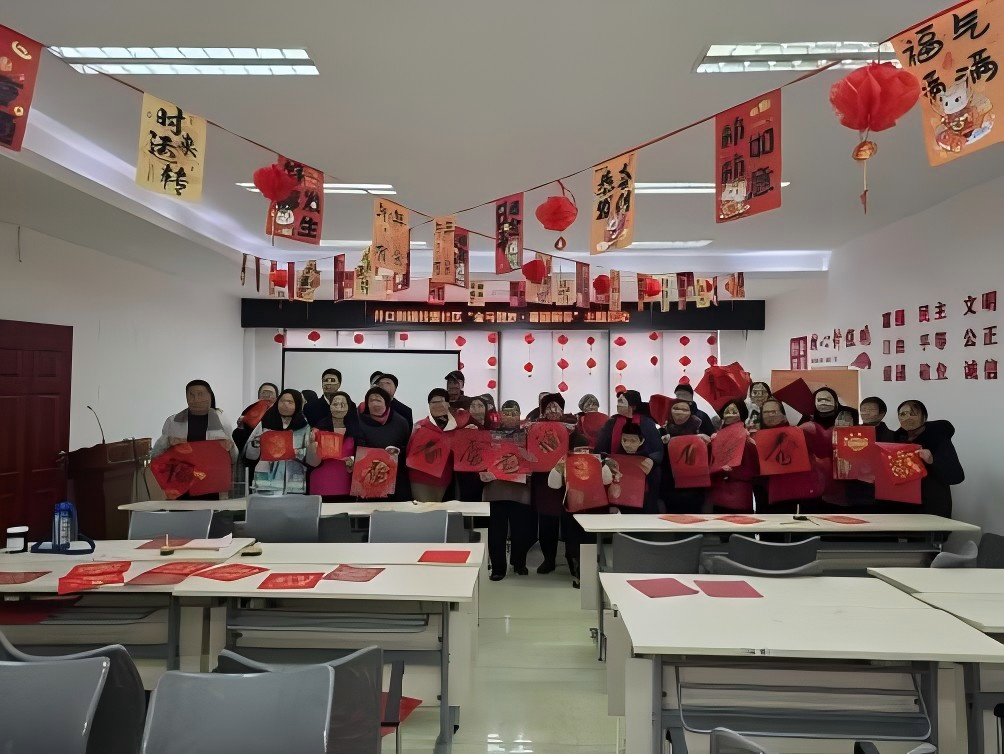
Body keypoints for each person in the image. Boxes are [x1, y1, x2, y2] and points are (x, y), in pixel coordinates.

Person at [547, 433, 614, 588]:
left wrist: (601, 465)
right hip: (572, 510)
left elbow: (607, 480)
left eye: (586, 450)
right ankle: (577, 574)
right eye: (578, 450)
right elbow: (553, 485)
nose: (582, 453)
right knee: (573, 543)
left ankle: (591, 574)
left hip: (594, 510)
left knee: (591, 543)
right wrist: (558, 469)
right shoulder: (564, 461)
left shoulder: (598, 460)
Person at [483, 400, 534, 580]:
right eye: (506, 413)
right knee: (497, 530)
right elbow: (482, 456)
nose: (510, 417)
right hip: (496, 486)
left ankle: (519, 563)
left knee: (521, 529)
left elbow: (537, 457)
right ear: (500, 415)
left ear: (520, 415)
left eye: (514, 413)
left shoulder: (528, 434)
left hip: (520, 486)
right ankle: (498, 568)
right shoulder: (490, 434)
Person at [892, 400, 964, 518]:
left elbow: (956, 476)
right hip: (903, 505)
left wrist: (932, 460)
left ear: (924, 416)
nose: (908, 417)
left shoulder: (938, 438)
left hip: (932, 506)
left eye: (913, 413)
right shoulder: (894, 439)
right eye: (903, 414)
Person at [755, 398, 826, 514]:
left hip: (804, 491)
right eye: (766, 412)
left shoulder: (801, 431)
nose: (769, 416)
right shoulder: (759, 438)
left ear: (784, 414)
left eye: (773, 412)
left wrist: (814, 430)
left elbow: (821, 450)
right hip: (777, 495)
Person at [530, 393, 573, 575]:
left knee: (570, 521)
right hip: (544, 479)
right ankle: (549, 559)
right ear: (543, 411)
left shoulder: (573, 426)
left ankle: (574, 561)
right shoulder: (534, 427)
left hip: (569, 479)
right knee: (547, 520)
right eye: (549, 407)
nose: (553, 410)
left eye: (556, 407)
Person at [244, 389, 316, 494]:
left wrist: (294, 452)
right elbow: (250, 456)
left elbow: (309, 458)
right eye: (282, 401)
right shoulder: (265, 424)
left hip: (293, 484)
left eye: (290, 402)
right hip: (265, 483)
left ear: (298, 404)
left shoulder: (304, 428)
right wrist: (256, 444)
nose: (285, 405)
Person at [353, 385, 412, 501]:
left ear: (386, 403)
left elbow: (408, 447)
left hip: (395, 476)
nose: (375, 403)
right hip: (367, 477)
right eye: (371, 400)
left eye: (378, 400)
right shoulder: (357, 421)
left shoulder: (400, 422)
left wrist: (397, 452)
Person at [706, 399, 759, 513]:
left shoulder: (747, 440)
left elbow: (752, 470)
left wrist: (731, 471)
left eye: (734, 411)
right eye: (727, 411)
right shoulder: (715, 439)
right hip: (718, 493)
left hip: (738, 495)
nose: (730, 413)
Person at [658, 398, 707, 514]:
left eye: (684, 410)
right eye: (676, 408)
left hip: (693, 484)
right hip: (670, 483)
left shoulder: (698, 429)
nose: (679, 412)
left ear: (691, 412)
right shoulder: (663, 431)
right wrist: (661, 443)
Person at [408, 388, 458, 502]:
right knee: (423, 510)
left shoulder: (457, 428)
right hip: (420, 479)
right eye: (433, 402)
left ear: (448, 404)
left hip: (445, 479)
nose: (437, 405)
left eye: (441, 401)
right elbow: (409, 453)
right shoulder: (419, 426)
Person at [306, 391, 359, 500]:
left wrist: (353, 461)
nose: (338, 408)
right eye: (335, 404)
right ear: (330, 406)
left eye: (342, 404)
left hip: (346, 484)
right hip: (321, 483)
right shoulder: (318, 429)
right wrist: (312, 445)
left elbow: (360, 455)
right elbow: (312, 462)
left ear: (348, 407)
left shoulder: (355, 429)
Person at [606, 422, 659, 513]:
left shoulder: (649, 463)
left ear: (641, 441)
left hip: (642, 507)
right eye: (624, 440)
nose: (627, 444)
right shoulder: (613, 461)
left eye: (633, 441)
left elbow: (653, 492)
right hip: (617, 506)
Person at [232, 382, 279, 482]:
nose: (267, 396)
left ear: (276, 397)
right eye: (264, 393)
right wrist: (240, 427)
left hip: (275, 460)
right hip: (253, 459)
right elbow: (240, 439)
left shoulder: (280, 412)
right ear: (259, 396)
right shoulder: (250, 410)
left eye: (270, 393)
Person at [455, 395, 492, 502]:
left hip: (489, 474)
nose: (476, 409)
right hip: (469, 474)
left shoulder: (492, 428)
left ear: (486, 409)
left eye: (480, 406)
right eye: (473, 406)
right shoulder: (461, 427)